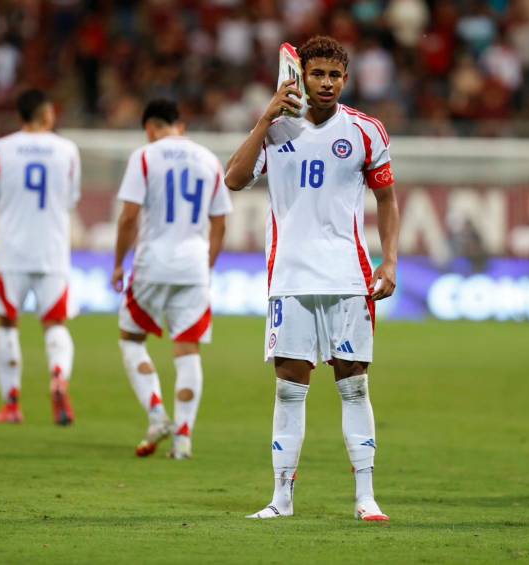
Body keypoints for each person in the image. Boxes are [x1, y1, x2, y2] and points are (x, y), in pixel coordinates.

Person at [224, 36, 400, 521]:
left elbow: (387, 200)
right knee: (288, 389)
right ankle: (281, 499)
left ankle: (366, 498)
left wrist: (390, 263)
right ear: (300, 74)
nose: (326, 83)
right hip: (290, 278)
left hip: (348, 276)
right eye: (318, 73)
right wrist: (264, 119)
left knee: (355, 386)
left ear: (346, 78)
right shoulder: (277, 129)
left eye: (335, 75)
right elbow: (234, 179)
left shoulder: (367, 131)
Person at [112, 99, 232, 459]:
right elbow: (221, 222)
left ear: (150, 127)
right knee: (188, 348)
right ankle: (183, 439)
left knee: (132, 339)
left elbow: (128, 218)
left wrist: (119, 263)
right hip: (194, 265)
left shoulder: (146, 156)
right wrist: (207, 265)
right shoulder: (209, 159)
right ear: (181, 125)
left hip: (152, 263)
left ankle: (156, 414)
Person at [0, 89, 81, 426]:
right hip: (52, 251)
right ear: (47, 115)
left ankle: (11, 404)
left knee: (8, 324)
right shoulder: (67, 149)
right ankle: (58, 376)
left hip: (11, 252)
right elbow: (71, 198)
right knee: (55, 323)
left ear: (20, 117)